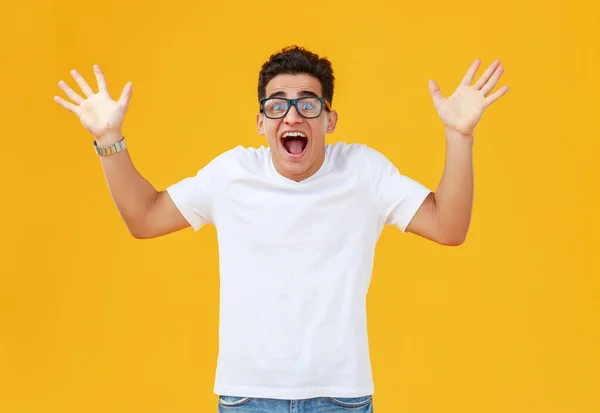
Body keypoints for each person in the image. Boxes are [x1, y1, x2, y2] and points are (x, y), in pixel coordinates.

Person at [54, 45, 508, 412]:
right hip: (247, 396)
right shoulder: (231, 174)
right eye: (278, 106)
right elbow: (145, 218)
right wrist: (108, 140)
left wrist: (459, 137)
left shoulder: (365, 171)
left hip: (341, 398)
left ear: (329, 120)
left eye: (307, 104)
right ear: (261, 122)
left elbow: (449, 226)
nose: (292, 116)